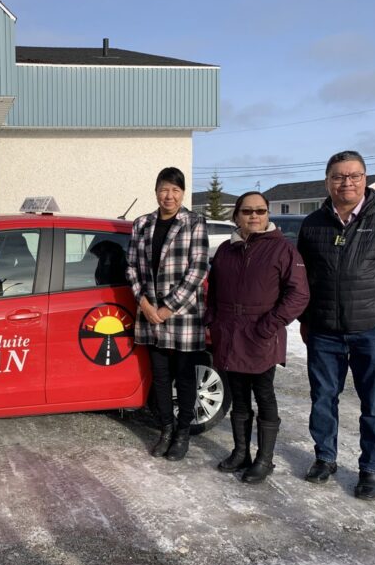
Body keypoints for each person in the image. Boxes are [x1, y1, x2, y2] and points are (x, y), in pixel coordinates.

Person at [298, 150, 375, 500]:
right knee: (323, 398)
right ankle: (325, 457)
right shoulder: (313, 224)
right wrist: (305, 318)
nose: (346, 182)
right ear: (327, 181)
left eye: (354, 175)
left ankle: (371, 468)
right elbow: (302, 278)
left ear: (365, 179)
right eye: (339, 176)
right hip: (324, 331)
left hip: (372, 329)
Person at [204, 191, 309, 483]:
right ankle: (241, 453)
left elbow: (298, 295)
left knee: (263, 395)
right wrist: (212, 319)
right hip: (229, 332)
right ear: (236, 215)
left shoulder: (283, 251)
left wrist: (270, 324)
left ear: (267, 215)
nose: (254, 216)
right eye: (247, 211)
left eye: (260, 211)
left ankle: (264, 459)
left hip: (261, 333)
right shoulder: (226, 249)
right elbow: (213, 289)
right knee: (238, 396)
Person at [126, 167, 209, 461]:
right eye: (164, 189)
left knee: (185, 377)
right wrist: (145, 304)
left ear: (182, 193)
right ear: (156, 191)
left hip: (183, 315)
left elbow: (198, 269)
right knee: (160, 377)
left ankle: (182, 434)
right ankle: (165, 429)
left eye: (175, 190)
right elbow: (132, 266)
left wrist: (167, 307)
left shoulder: (194, 222)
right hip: (149, 314)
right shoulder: (142, 224)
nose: (169, 196)